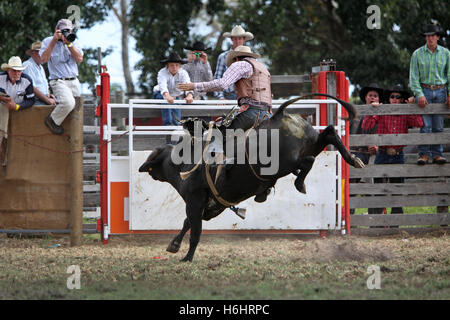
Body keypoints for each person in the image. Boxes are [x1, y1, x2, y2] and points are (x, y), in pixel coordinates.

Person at [178, 45, 272, 202]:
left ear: (236, 58)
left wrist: (194, 86)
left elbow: (222, 84)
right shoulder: (262, 68)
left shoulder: (240, 64)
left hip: (251, 113)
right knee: (264, 151)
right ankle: (265, 186)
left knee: (217, 133)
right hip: (267, 115)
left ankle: (219, 174)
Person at [362, 84, 424, 216]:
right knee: (379, 188)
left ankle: (395, 222)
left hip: (398, 154)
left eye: (398, 97)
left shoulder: (405, 113)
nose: (395, 99)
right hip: (383, 153)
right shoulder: (383, 110)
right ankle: (378, 220)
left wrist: (412, 107)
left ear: (402, 99)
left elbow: (419, 123)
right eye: (392, 96)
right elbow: (366, 125)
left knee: (397, 188)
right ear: (389, 98)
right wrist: (373, 111)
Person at [409, 22, 449, 165]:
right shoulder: (417, 54)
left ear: (438, 37)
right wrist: (419, 94)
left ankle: (437, 154)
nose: (430, 38)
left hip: (441, 90)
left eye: (432, 36)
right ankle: (424, 154)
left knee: (438, 125)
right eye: (427, 36)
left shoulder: (446, 53)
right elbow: (413, 77)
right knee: (425, 125)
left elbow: (449, 74)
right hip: (424, 90)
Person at [40, 18, 83, 135]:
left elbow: (79, 59)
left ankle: (74, 135)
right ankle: (52, 120)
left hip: (74, 80)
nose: (66, 33)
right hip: (58, 81)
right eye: (64, 30)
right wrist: (54, 41)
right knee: (68, 103)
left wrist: (69, 44)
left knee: (77, 107)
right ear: (56, 30)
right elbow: (43, 59)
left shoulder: (73, 41)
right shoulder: (47, 41)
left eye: (68, 30)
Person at [349, 83, 382, 215]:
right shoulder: (356, 112)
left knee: (372, 190)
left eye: (375, 96)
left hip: (373, 156)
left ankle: (374, 220)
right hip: (356, 153)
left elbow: (387, 134)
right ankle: (350, 219)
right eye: (370, 95)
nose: (372, 98)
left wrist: (378, 147)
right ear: (366, 98)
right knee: (352, 188)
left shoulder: (383, 113)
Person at [0, 56, 35, 165]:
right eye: (14, 70)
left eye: (19, 71)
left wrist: (17, 107)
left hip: (19, 110)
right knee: (2, 131)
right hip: (2, 109)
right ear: (8, 70)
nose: (17, 73)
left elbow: (31, 100)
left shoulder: (27, 80)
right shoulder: (0, 78)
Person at [214, 25, 253, 100]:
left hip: (247, 95)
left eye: (240, 38)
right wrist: (220, 97)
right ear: (231, 39)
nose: (237, 41)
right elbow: (218, 77)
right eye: (235, 39)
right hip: (228, 95)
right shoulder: (223, 56)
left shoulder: (251, 57)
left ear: (244, 39)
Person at [157, 52, 194, 126]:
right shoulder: (162, 72)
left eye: (177, 65)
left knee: (176, 107)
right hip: (161, 94)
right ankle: (167, 127)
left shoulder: (183, 73)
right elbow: (162, 85)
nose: (174, 67)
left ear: (180, 66)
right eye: (172, 65)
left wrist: (190, 94)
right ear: (167, 66)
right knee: (165, 101)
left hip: (176, 97)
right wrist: (167, 95)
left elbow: (187, 84)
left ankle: (175, 128)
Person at [22, 41, 56, 106]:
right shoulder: (28, 65)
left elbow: (43, 85)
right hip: (35, 100)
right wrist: (47, 100)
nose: (44, 54)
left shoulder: (41, 67)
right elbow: (32, 87)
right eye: (41, 52)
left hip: (42, 99)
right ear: (33, 53)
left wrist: (49, 95)